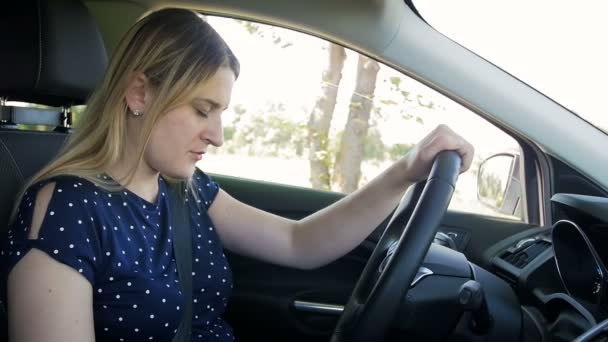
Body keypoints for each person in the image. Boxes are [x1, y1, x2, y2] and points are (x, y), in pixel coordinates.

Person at [0, 7, 474, 342]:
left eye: (221, 113)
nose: (218, 136)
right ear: (140, 93)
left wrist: (405, 172)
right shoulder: (67, 211)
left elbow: (298, 243)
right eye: (203, 109)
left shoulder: (183, 188)